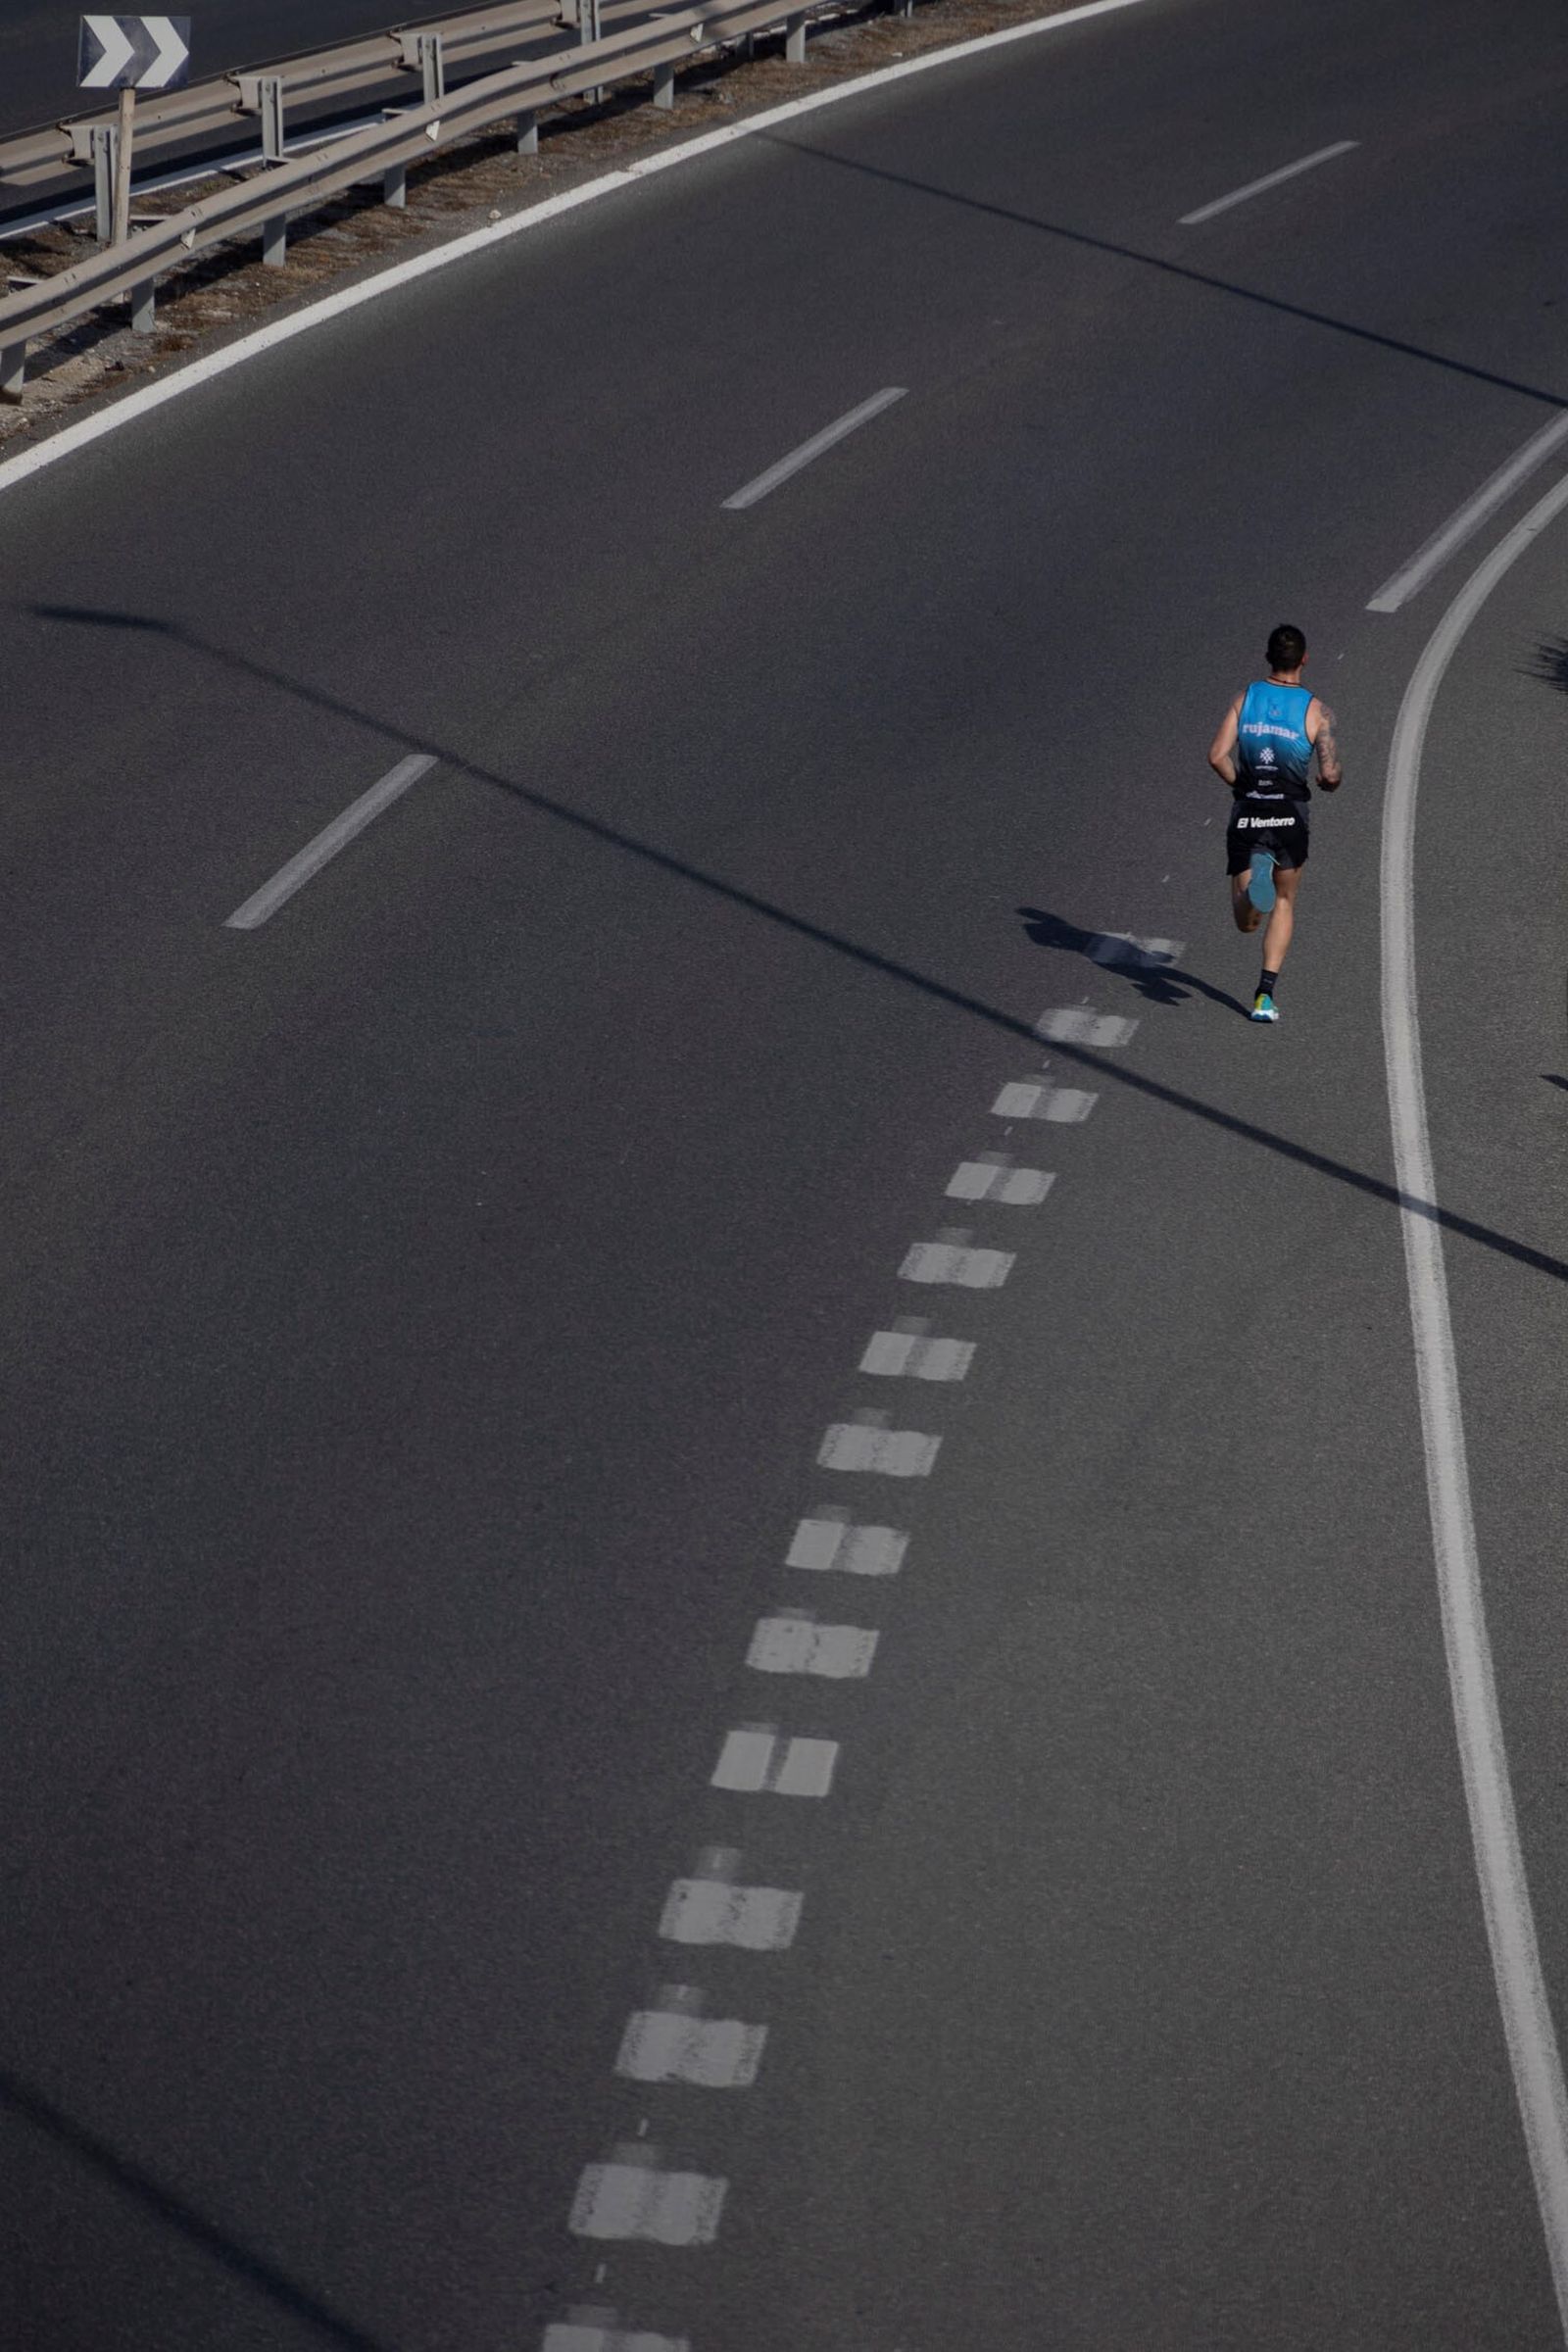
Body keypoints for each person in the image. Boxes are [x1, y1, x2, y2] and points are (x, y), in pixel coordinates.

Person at [1207, 623, 1342, 1021]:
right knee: (1284, 901)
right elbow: (1331, 774)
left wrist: (1242, 786)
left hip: (1249, 811)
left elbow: (1217, 755)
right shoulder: (1318, 711)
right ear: (1304, 659)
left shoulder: (1244, 699)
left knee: (1245, 922)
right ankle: (1264, 996)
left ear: (1268, 657)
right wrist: (1325, 781)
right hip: (1291, 815)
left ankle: (1251, 890)